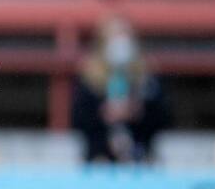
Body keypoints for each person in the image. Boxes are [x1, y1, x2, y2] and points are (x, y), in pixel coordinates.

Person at [71, 16, 170, 163]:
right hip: (99, 159)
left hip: (140, 158)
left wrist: (139, 112)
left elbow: (165, 117)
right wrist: (102, 113)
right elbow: (77, 119)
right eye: (114, 38)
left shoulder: (147, 77)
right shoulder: (89, 77)